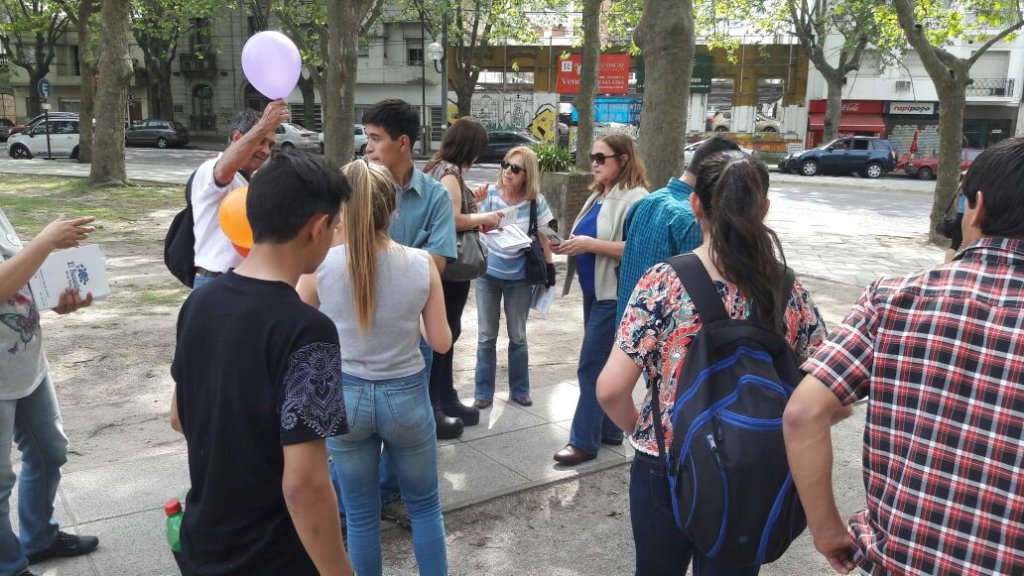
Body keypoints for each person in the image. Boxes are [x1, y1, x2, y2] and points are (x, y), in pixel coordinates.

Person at [783, 138, 1024, 575]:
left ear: (978, 207)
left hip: (899, 560)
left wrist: (828, 531)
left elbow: (803, 412)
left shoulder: (894, 297)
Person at [597, 151, 826, 575]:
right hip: (753, 465)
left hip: (665, 460)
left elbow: (610, 389)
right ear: (764, 208)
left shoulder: (663, 283)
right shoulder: (790, 292)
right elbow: (831, 398)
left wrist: (644, 429)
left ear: (696, 204)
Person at [169, 150, 354, 576]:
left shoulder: (199, 302)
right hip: (274, 555)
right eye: (335, 225)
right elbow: (304, 483)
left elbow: (179, 417)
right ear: (317, 227)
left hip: (204, 541)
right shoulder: (309, 332)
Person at [297, 160, 452, 576]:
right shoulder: (421, 264)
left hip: (345, 398)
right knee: (424, 508)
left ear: (341, 209)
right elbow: (440, 341)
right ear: (393, 208)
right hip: (405, 397)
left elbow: (297, 329)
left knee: (361, 518)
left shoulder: (320, 267)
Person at [355, 98, 457, 523]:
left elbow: (439, 260)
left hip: (413, 329)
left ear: (402, 143)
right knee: (356, 426)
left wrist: (376, 263)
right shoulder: (355, 186)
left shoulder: (434, 196)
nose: (368, 148)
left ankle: (389, 494)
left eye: (376, 139)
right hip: (356, 326)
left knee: (405, 423)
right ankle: (355, 505)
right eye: (366, 138)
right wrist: (404, 266)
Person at [0, 212, 99, 576]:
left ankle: (39, 539)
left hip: (25, 361)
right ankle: (9, 567)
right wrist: (45, 241)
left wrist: (51, 296)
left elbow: (13, 271)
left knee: (49, 451)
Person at [553, 133, 648, 465]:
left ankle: (583, 441)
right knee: (604, 363)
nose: (593, 163)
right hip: (593, 292)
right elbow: (587, 238)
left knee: (590, 367)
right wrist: (566, 245)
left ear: (622, 160)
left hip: (614, 295)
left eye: (600, 157)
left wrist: (588, 245)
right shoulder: (599, 195)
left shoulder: (637, 198)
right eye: (591, 156)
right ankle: (608, 430)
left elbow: (636, 249)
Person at [423, 118, 502, 430]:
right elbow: (453, 220)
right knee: (444, 332)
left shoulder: (436, 166)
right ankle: (436, 403)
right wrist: (487, 215)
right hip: (450, 267)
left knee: (446, 332)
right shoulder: (451, 173)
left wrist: (474, 202)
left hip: (440, 264)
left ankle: (445, 397)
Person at [617, 135, 741, 321]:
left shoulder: (643, 202)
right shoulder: (694, 220)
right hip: (665, 337)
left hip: (627, 328)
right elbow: (697, 293)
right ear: (720, 176)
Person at [473, 146, 556, 409]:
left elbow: (547, 236)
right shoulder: (489, 196)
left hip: (519, 278)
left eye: (515, 168)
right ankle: (483, 393)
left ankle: (520, 390)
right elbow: (472, 227)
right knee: (486, 336)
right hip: (487, 275)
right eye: (505, 164)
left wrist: (550, 269)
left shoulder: (536, 202)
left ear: (527, 174)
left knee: (518, 335)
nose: (508, 171)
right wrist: (475, 204)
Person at [190, 100, 290, 289]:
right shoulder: (211, 170)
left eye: (270, 145)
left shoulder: (254, 181)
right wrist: (263, 125)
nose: (266, 151)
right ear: (237, 138)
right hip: (216, 282)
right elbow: (221, 173)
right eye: (261, 141)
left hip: (248, 283)